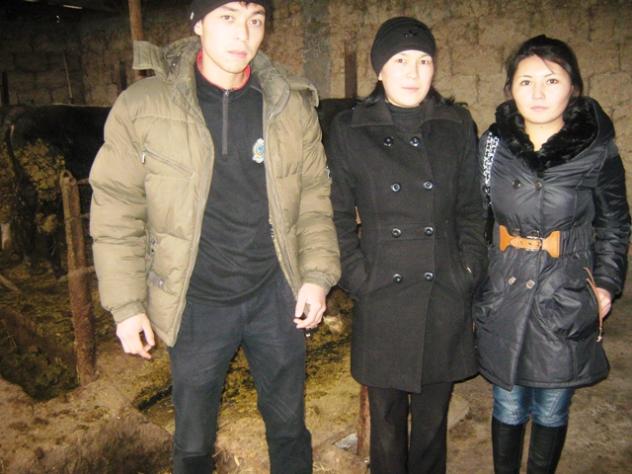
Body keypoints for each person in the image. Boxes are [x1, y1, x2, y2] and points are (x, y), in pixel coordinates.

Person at [89, 1, 340, 472]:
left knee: (289, 427)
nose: (244, 33)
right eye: (227, 16)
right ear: (198, 23)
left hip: (275, 294)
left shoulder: (290, 106)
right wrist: (127, 306)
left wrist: (316, 275)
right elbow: (117, 207)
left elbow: (313, 197)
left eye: (255, 19)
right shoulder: (143, 106)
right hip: (196, 301)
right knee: (192, 441)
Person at [326, 17, 487, 474]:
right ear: (379, 69)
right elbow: (337, 215)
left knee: (433, 422)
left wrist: (468, 270)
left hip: (444, 290)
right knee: (386, 423)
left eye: (423, 61)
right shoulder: (349, 129)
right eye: (400, 61)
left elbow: (472, 209)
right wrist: (358, 277)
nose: (413, 72)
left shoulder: (456, 124)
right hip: (383, 292)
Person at [474, 35, 630, 474]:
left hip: (565, 290)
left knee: (551, 405)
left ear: (572, 87)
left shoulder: (596, 147)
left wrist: (606, 284)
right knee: (507, 402)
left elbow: (614, 222)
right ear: (510, 89)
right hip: (505, 288)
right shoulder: (493, 145)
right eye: (526, 81)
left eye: (551, 80)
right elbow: (473, 216)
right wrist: (471, 279)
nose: (538, 93)